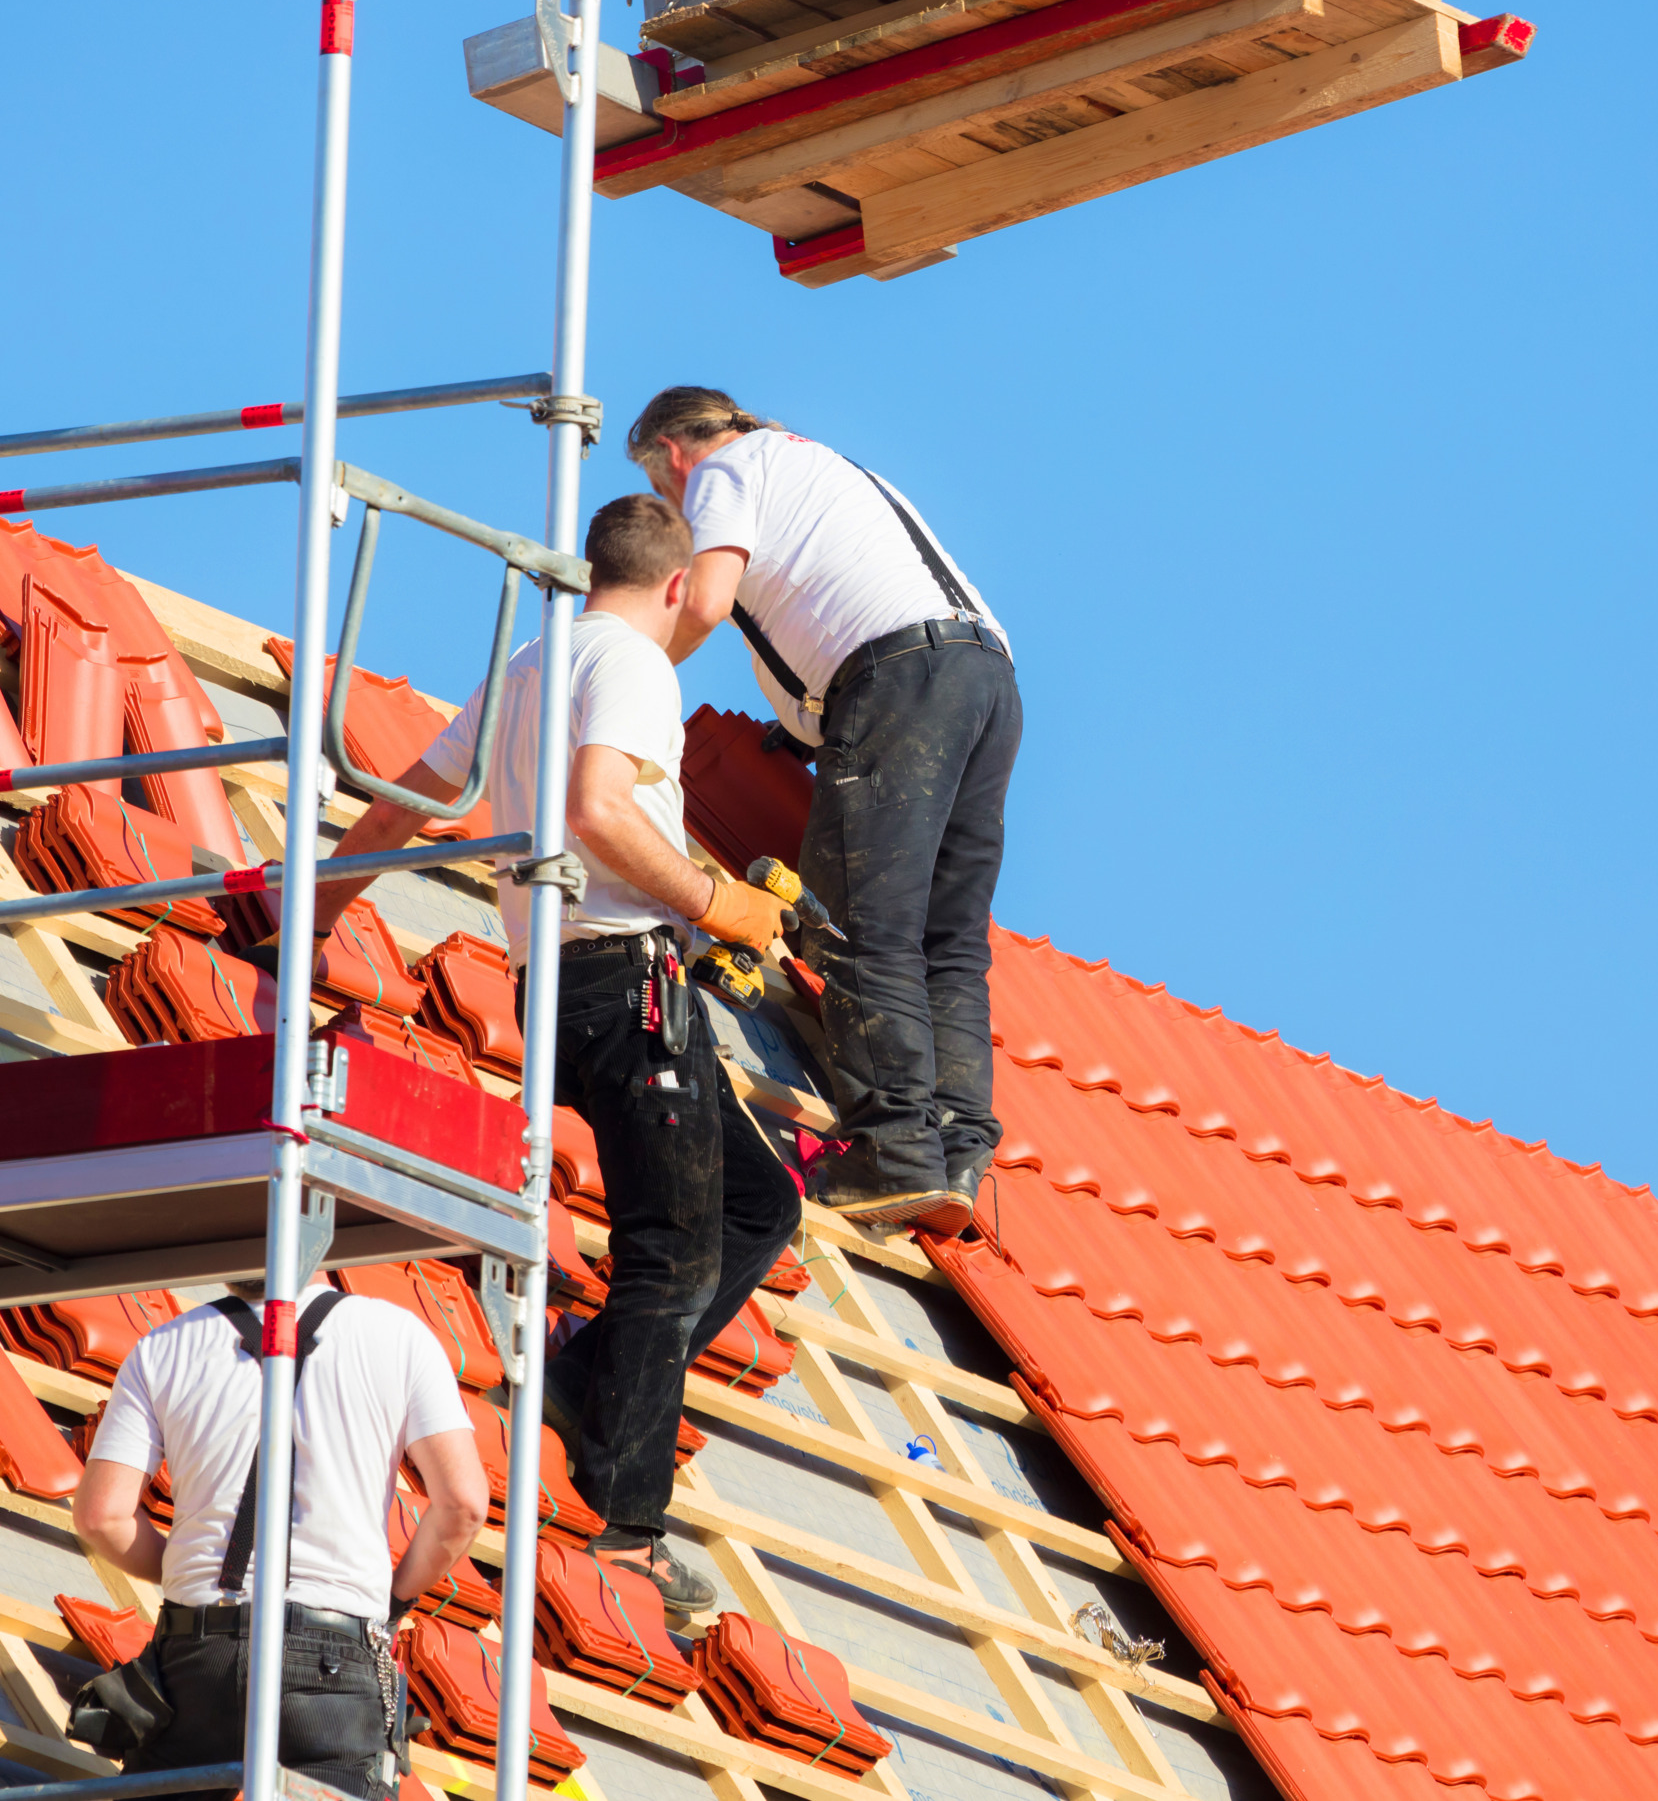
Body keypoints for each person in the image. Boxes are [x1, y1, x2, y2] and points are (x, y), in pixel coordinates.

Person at [313, 492, 802, 1621]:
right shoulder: (632, 663)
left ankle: (589, 1381)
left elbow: (405, 806)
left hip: (558, 986)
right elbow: (598, 809)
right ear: (675, 584)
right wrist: (713, 899)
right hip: (627, 978)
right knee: (672, 1250)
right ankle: (627, 1530)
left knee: (758, 1203)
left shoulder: (529, 665)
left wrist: (313, 911)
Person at [626, 388, 1019, 1239]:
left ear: (673, 453)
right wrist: (806, 727)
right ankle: (957, 1152)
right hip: (983, 680)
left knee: (858, 922)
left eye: (662, 490)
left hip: (898, 679)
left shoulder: (724, 470)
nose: (674, 512)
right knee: (948, 939)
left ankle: (893, 1149)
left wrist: (626, 670)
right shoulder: (818, 465)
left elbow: (706, 600)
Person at [72, 1274, 488, 1799]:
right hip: (334, 1655)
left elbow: (101, 1517)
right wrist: (394, 1601)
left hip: (197, 1650)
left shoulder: (163, 1346)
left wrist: (192, 1570)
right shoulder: (399, 1335)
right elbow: (463, 1505)